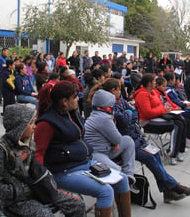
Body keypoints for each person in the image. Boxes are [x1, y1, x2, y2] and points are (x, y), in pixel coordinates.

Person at [35, 81, 131, 217]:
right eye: (75, 97)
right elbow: (39, 154)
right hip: (64, 171)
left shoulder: (71, 114)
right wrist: (41, 184)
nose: (78, 98)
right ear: (64, 101)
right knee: (106, 191)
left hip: (85, 163)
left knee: (123, 179)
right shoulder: (46, 123)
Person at [105, 78, 190, 203]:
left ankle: (168, 190)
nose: (121, 92)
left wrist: (129, 115)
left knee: (156, 152)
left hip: (135, 136)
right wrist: (130, 115)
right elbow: (126, 120)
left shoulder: (121, 100)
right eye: (118, 89)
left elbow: (134, 113)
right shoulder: (109, 105)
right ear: (111, 91)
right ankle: (174, 186)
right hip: (126, 144)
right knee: (149, 157)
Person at [0, 104, 86, 217]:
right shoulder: (0, 149)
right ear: (19, 127)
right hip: (16, 200)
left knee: (77, 204)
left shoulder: (29, 143)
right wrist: (18, 191)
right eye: (30, 123)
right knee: (45, 215)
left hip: (38, 190)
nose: (34, 126)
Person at [84, 87, 136, 182]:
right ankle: (127, 175)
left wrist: (114, 143)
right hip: (97, 154)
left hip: (107, 148)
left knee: (128, 141)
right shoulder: (103, 118)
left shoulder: (97, 114)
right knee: (118, 173)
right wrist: (115, 143)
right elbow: (117, 139)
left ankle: (129, 174)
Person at [133, 73, 186, 164]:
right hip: (147, 121)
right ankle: (172, 154)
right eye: (154, 81)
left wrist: (170, 109)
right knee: (175, 125)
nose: (155, 83)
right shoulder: (142, 95)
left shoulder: (153, 92)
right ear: (149, 83)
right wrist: (163, 110)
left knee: (182, 121)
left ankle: (180, 150)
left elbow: (161, 105)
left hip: (157, 116)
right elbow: (147, 113)